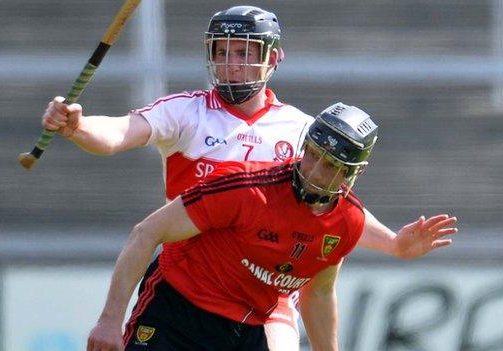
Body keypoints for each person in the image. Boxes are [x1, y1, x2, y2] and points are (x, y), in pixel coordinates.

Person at [42, 6, 457, 350]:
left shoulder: (304, 131)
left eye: (243, 53)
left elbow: (326, 208)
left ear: (273, 58)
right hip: (191, 275)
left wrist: (393, 244)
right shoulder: (186, 111)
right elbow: (117, 134)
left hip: (268, 293)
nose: (231, 65)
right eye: (222, 52)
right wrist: (77, 127)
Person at [86, 103, 458, 351]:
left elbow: (319, 293)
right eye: (312, 153)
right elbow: (145, 233)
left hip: (247, 330)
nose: (313, 169)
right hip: (178, 311)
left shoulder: (347, 221)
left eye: (329, 164)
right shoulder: (243, 188)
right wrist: (108, 321)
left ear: (351, 174)